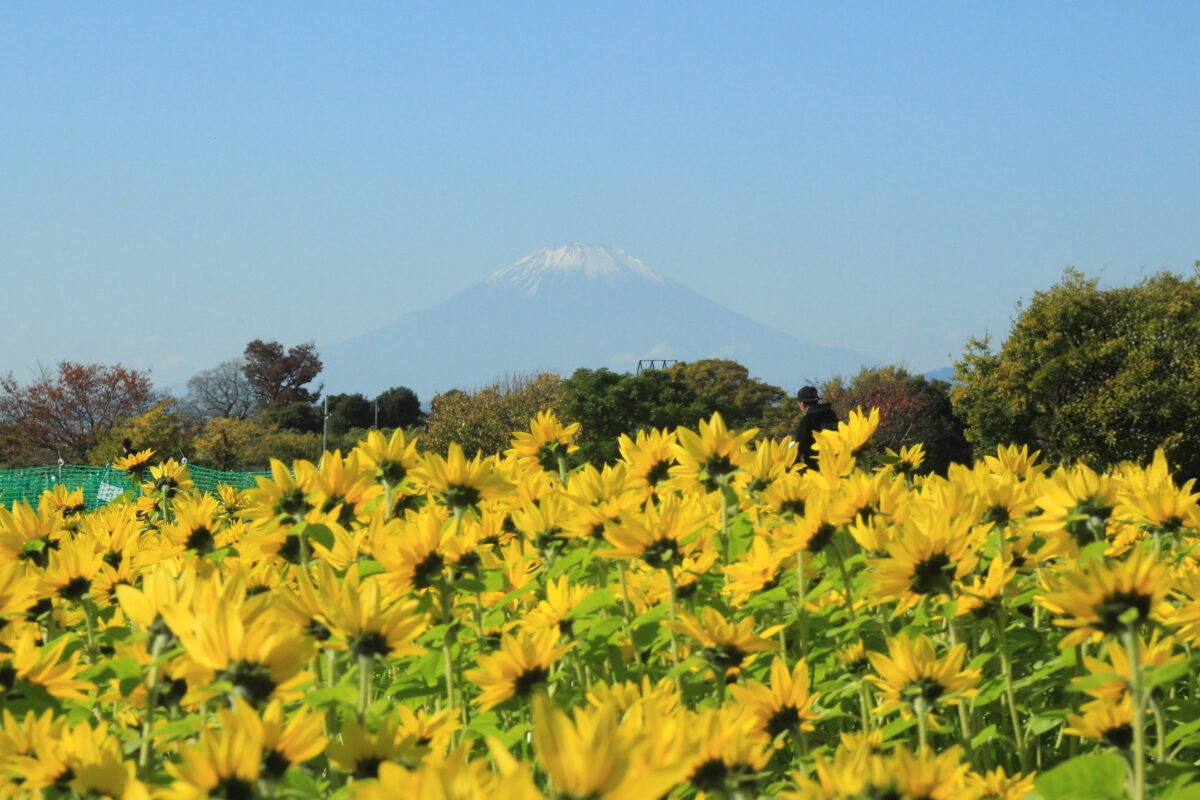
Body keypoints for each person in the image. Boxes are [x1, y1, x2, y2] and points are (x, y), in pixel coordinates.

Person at [792, 386, 838, 469]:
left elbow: (798, 447)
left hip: (816, 469)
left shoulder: (807, 420)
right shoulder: (831, 415)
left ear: (802, 404)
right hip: (837, 463)